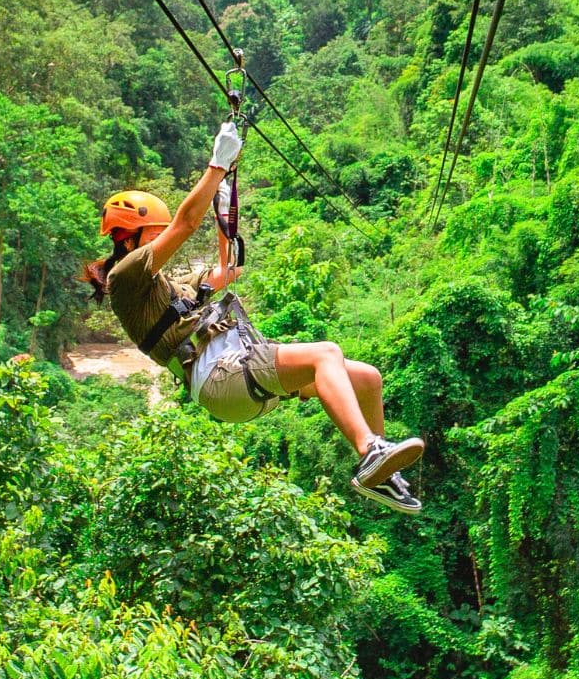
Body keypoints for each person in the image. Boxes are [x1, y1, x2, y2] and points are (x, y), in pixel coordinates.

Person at [82, 120, 424, 513]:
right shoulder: (126, 279)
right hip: (222, 374)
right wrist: (216, 165)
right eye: (153, 235)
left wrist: (223, 211)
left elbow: (227, 273)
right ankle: (369, 452)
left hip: (232, 375)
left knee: (366, 379)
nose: (160, 243)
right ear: (129, 238)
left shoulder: (167, 286)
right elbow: (184, 224)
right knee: (325, 353)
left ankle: (381, 475)